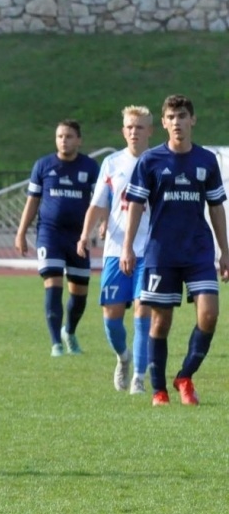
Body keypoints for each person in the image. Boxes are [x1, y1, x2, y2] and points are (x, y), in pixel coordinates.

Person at [120, 94, 229, 405]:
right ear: (164, 123)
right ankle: (159, 390)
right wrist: (128, 247)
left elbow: (216, 207)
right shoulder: (150, 160)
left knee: (209, 315)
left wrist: (225, 250)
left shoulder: (206, 160)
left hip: (198, 251)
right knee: (160, 322)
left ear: (192, 120)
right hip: (161, 253)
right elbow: (135, 205)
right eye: (171, 117)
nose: (177, 122)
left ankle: (185, 376)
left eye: (182, 116)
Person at [78, 106, 154, 394]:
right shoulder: (111, 163)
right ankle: (123, 358)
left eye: (139, 127)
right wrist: (85, 234)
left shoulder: (159, 162)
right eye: (129, 127)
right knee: (112, 317)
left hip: (149, 249)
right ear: (123, 131)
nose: (134, 132)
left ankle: (139, 378)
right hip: (115, 250)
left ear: (150, 131)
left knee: (142, 310)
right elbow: (98, 204)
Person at [14, 120, 99, 356]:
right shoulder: (43, 165)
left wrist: (103, 223)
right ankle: (56, 344)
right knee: (53, 286)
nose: (64, 140)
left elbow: (100, 200)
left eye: (69, 136)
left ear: (79, 140)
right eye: (60, 136)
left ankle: (68, 331)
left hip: (79, 237)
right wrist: (21, 232)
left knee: (79, 294)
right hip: (50, 234)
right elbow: (32, 201)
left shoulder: (90, 167)